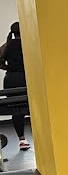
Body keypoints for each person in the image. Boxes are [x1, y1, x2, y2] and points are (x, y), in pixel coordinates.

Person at [0, 22, 30, 151]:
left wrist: (9, 68)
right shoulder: (28, 45)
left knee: (16, 110)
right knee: (32, 108)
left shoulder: (6, 45)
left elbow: (0, 62)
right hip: (25, 78)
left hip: (10, 80)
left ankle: (22, 140)